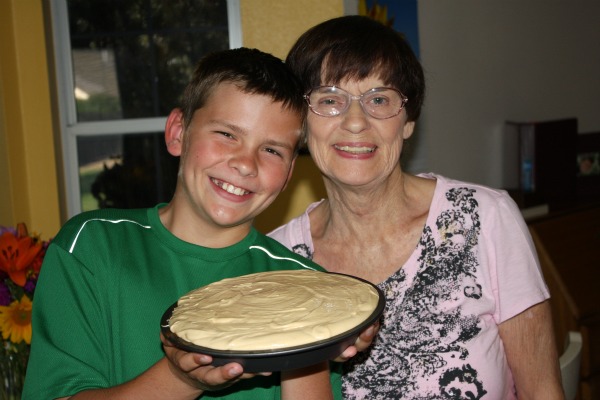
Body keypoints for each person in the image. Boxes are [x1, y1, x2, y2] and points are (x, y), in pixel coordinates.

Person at [23, 47, 354, 400]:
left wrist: (307, 344)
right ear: (178, 132)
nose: (245, 164)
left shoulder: (301, 287)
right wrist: (182, 378)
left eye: (272, 150)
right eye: (227, 134)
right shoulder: (90, 245)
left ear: (289, 174)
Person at [269, 15, 564, 399]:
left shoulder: (485, 219)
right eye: (329, 100)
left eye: (379, 99)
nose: (356, 122)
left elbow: (543, 391)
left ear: (407, 121)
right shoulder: (280, 262)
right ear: (302, 123)